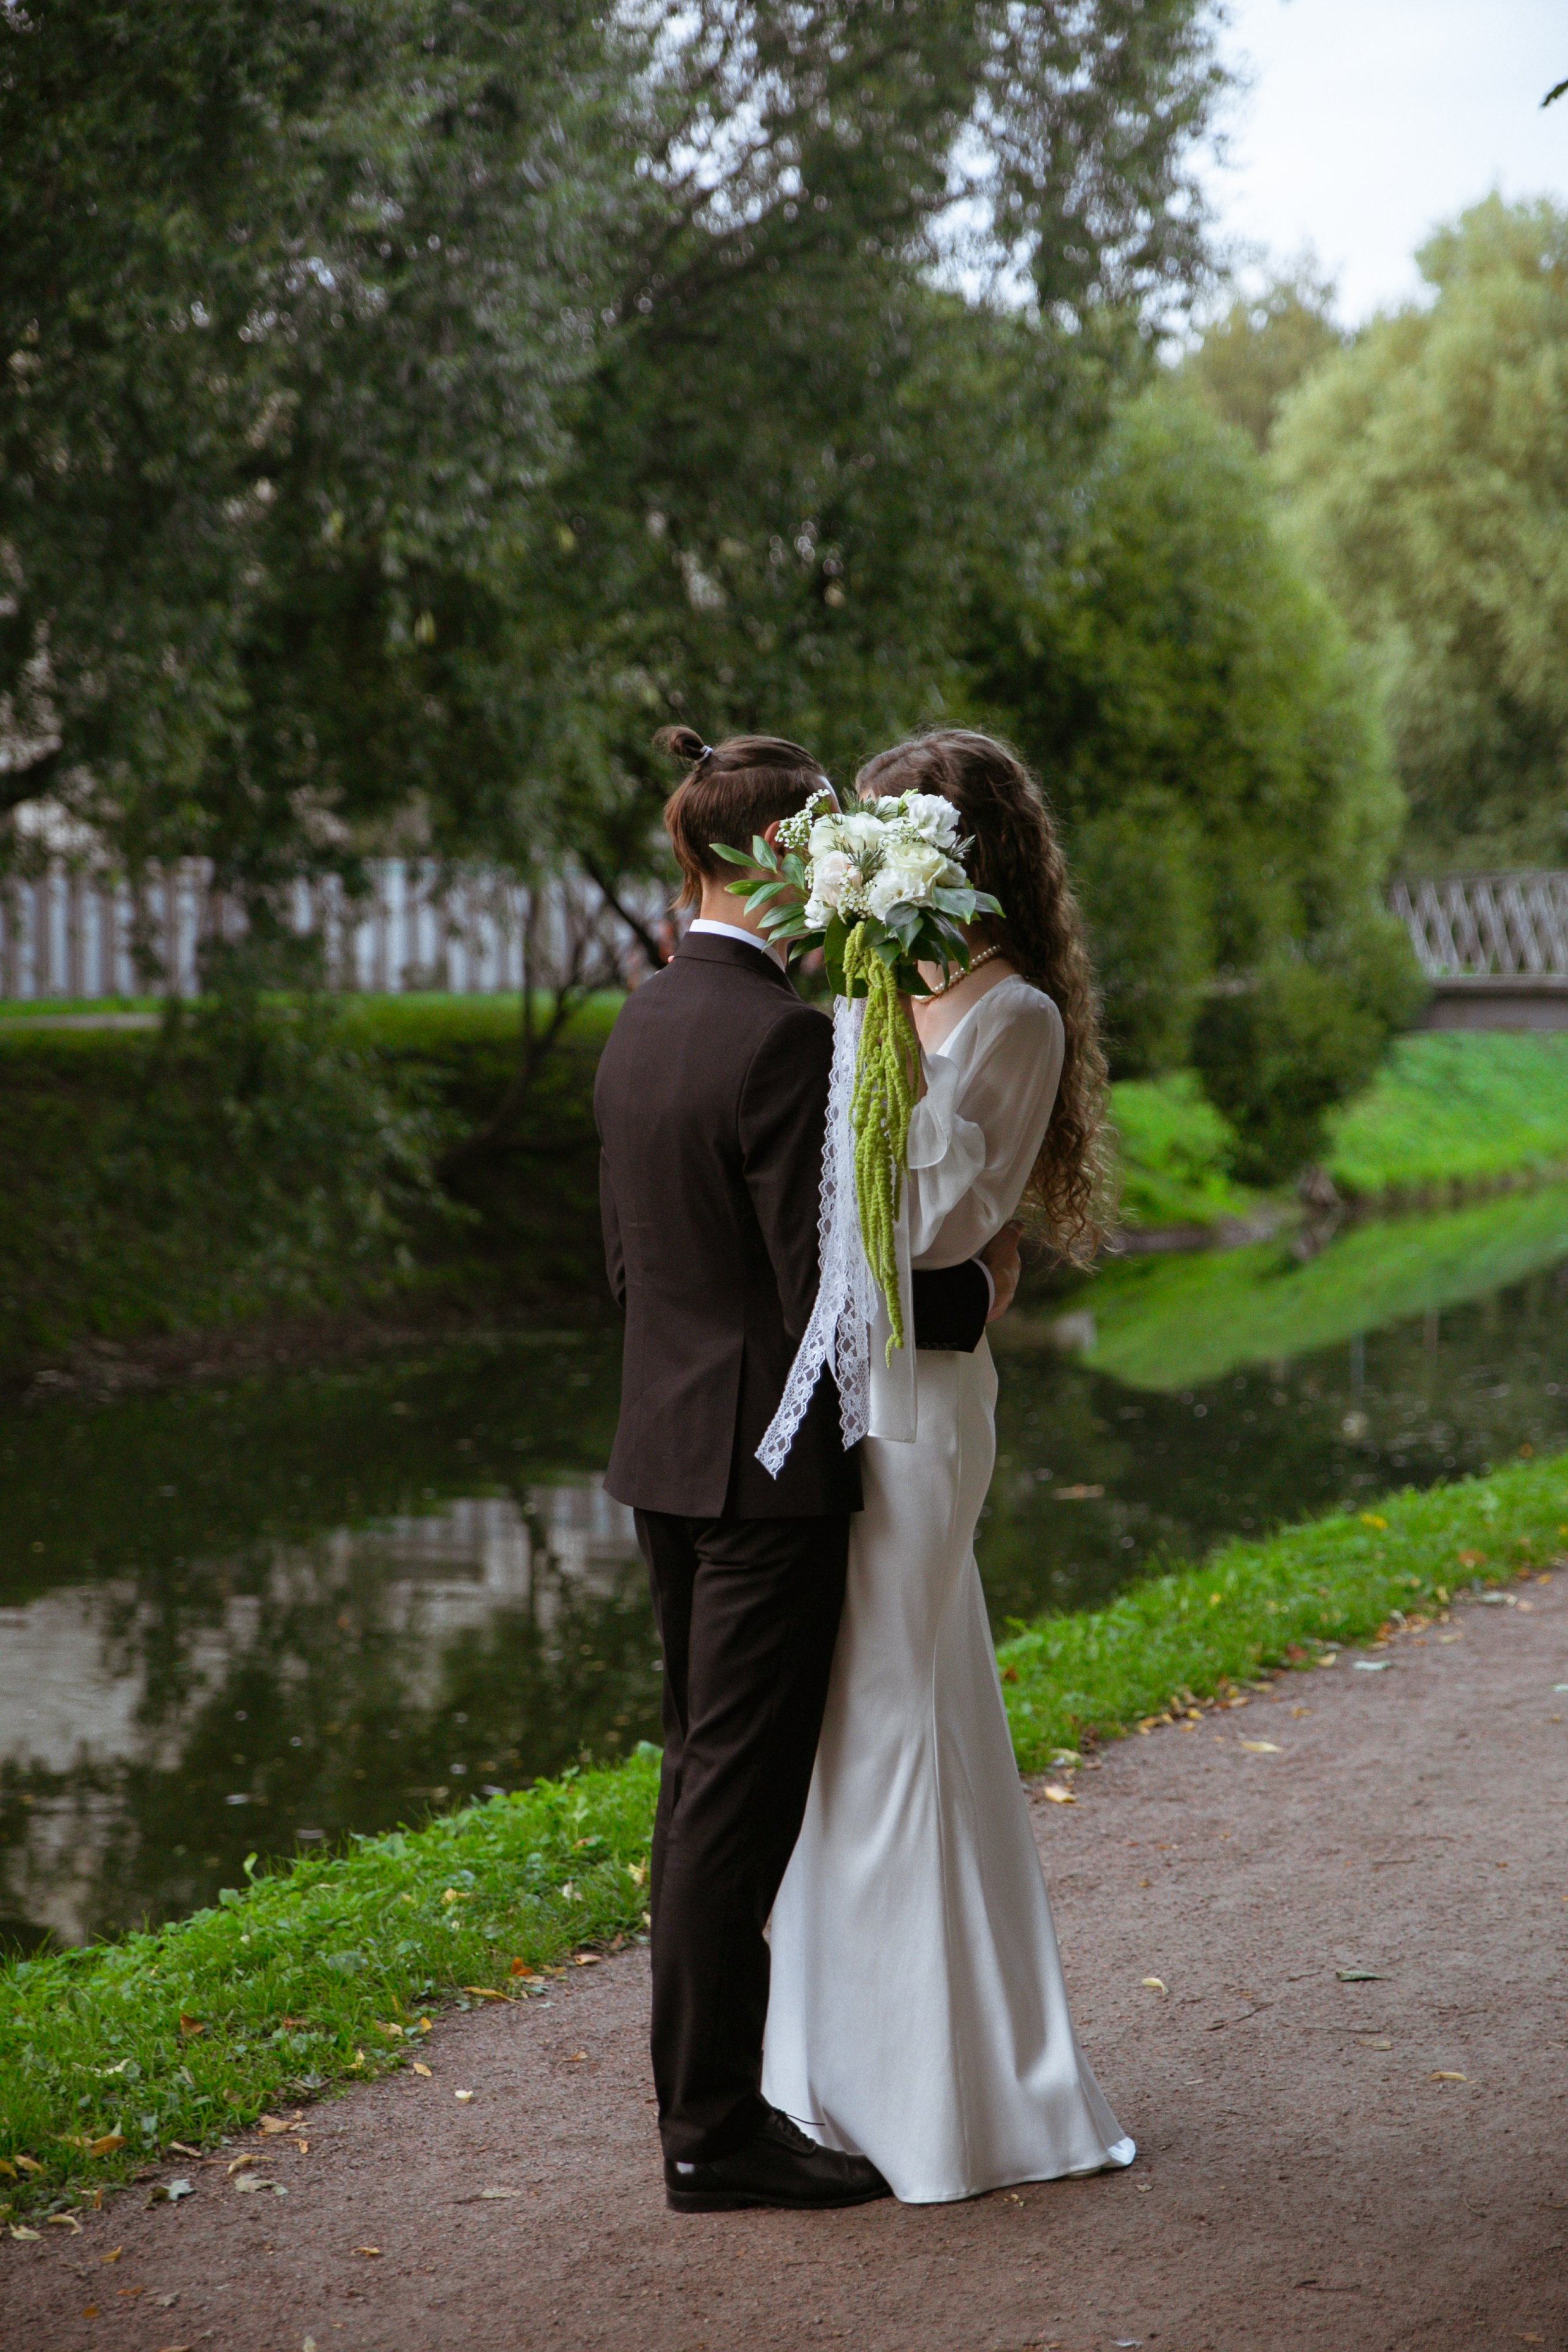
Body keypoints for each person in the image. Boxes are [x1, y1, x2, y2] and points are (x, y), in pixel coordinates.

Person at [593, 726, 1020, 2214]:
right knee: (736, 1802)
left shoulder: (642, 1021)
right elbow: (831, 1287)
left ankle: (700, 2106)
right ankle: (714, 2134)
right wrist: (983, 1295)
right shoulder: (776, 1037)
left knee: (690, 1785)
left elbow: (628, 1267)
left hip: (659, 1450)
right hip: (763, 1482)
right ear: (777, 859)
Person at [762, 726, 1136, 2202]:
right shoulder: (874, 994)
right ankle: (845, 2070)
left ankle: (928, 2099)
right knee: (873, 1709)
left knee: (894, 1707)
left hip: (923, 1408)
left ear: (960, 861)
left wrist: (868, 1044)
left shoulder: (1015, 1018)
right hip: (849, 1387)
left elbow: (919, 1224)